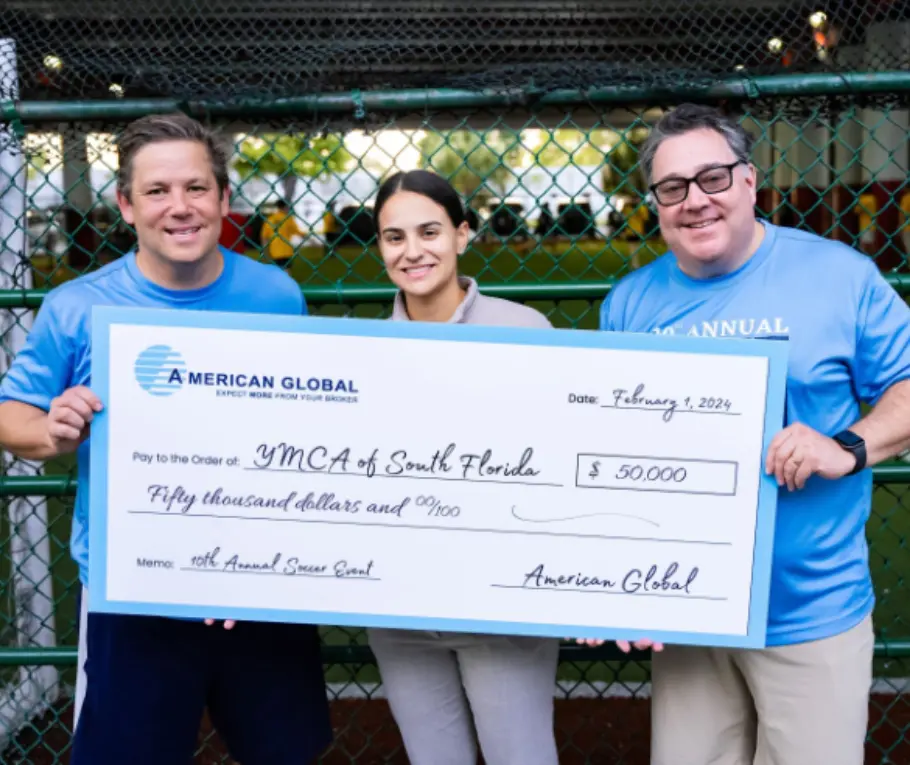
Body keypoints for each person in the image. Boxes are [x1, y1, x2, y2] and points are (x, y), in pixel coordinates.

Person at [0, 113, 333, 765]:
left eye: (196, 188)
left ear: (224, 199)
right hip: (135, 582)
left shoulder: (277, 295)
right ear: (126, 204)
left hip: (259, 576)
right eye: (156, 191)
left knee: (283, 751)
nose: (179, 207)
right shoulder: (76, 306)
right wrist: (51, 427)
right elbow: (12, 415)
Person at [596, 103, 910, 765]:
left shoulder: (839, 275)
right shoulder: (628, 303)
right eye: (673, 187)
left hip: (808, 611)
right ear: (655, 202)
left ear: (748, 181)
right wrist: (620, 580)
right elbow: (616, 455)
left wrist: (846, 445)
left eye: (712, 178)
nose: (695, 201)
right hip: (687, 612)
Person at [366, 169, 560, 765]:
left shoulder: (527, 330)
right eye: (394, 237)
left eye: (430, 231)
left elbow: (558, 460)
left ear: (463, 234)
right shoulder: (360, 357)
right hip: (400, 608)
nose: (413, 251)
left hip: (502, 604)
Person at [261, 198, 305, 267]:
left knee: (277, 269)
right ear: (284, 207)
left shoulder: (270, 219)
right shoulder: (288, 218)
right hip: (286, 249)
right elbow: (296, 230)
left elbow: (264, 236)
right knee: (287, 269)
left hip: (274, 251)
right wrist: (304, 235)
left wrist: (265, 250)